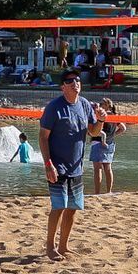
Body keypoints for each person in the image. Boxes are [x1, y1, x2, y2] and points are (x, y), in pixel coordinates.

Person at [39, 71, 105, 260]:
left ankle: (64, 246)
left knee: (73, 207)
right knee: (59, 206)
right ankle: (50, 247)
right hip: (57, 165)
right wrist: (48, 164)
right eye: (69, 81)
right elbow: (43, 137)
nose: (75, 82)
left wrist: (100, 120)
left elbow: (93, 132)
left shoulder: (84, 104)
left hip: (76, 167)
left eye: (77, 80)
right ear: (62, 87)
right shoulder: (54, 107)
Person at [89, 98, 126, 195]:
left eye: (102, 103)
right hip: (110, 143)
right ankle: (109, 192)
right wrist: (112, 135)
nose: (100, 105)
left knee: (97, 169)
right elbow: (123, 128)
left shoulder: (101, 116)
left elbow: (94, 129)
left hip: (98, 142)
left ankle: (97, 193)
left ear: (108, 106)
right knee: (108, 168)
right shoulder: (114, 116)